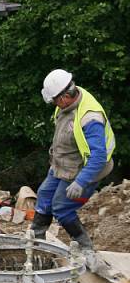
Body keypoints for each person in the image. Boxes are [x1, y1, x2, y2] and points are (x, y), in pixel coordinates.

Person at [31, 69, 115, 250]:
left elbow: (98, 156)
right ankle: (36, 241)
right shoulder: (68, 99)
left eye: (54, 100)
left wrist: (80, 182)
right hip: (65, 163)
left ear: (63, 98)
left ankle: (86, 249)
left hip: (87, 169)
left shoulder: (90, 118)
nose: (54, 104)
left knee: (61, 207)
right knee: (44, 195)